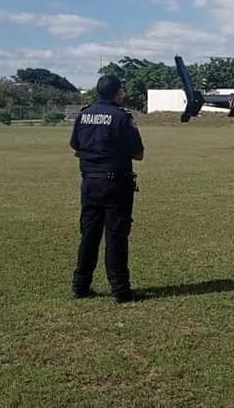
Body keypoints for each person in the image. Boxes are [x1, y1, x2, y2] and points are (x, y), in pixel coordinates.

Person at [69, 75, 144, 303]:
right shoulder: (122, 117)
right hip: (115, 184)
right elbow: (138, 153)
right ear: (116, 93)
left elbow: (75, 147)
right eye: (121, 91)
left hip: (90, 183)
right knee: (116, 236)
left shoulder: (83, 114)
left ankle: (80, 286)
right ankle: (120, 290)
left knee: (89, 236)